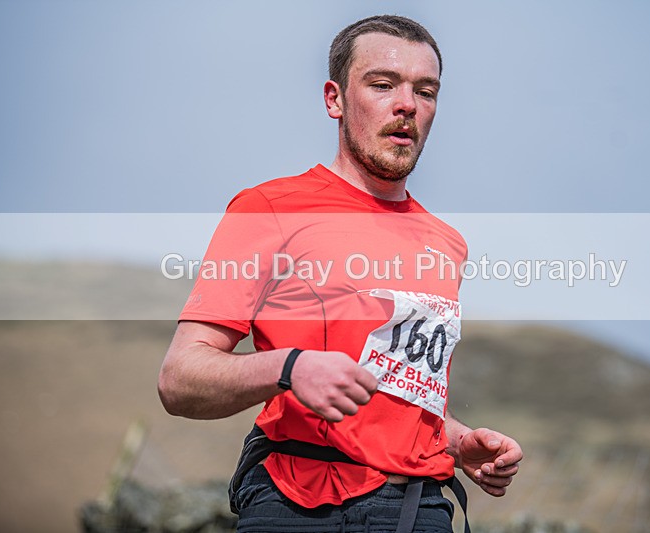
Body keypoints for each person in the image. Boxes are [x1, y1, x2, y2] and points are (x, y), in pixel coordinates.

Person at [158, 14, 522, 533]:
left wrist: (460, 441)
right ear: (334, 99)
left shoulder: (446, 244)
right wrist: (290, 368)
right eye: (382, 84)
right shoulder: (270, 208)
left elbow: (397, 396)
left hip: (423, 511)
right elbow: (180, 379)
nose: (406, 105)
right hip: (299, 503)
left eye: (426, 91)